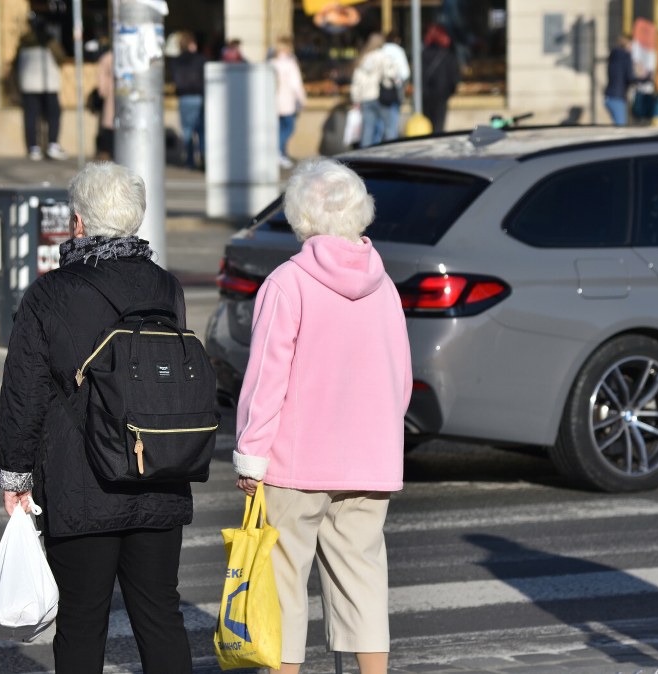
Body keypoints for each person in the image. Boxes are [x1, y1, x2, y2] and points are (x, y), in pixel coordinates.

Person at [0, 161, 192, 674]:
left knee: (83, 621)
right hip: (159, 471)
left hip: (81, 479)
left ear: (78, 223)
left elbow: (25, 393)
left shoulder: (51, 293)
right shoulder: (166, 288)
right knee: (160, 614)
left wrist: (16, 476)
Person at [233, 157, 412, 674]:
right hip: (369, 462)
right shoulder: (385, 287)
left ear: (300, 217)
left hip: (297, 462)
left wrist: (251, 458)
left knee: (283, 582)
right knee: (362, 577)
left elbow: (267, 380)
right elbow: (400, 380)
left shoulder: (288, 283)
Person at [17, 18, 67, 161]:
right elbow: (61, 57)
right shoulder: (50, 41)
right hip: (48, 85)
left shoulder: (24, 42)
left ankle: (33, 148)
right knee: (53, 115)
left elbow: (16, 63)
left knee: (31, 117)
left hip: (28, 85)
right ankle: (52, 145)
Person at [171, 32, 206, 170]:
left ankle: (190, 160)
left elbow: (175, 79)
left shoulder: (176, 61)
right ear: (192, 44)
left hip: (184, 97)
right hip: (198, 96)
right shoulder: (200, 59)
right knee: (201, 130)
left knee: (187, 130)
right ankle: (203, 158)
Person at [271, 36, 306, 169]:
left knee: (280, 128)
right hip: (286, 100)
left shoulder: (271, 62)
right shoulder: (290, 63)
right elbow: (295, 84)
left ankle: (281, 153)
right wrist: (302, 99)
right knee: (289, 128)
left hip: (273, 101)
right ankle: (278, 152)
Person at [420, 23, 460, 134]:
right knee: (439, 125)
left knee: (427, 124)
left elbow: (419, 75)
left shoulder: (423, 54)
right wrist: (451, 90)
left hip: (426, 94)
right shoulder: (447, 55)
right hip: (442, 93)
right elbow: (454, 75)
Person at [350, 33, 388, 148]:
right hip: (379, 96)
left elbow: (357, 80)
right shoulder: (383, 57)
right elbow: (389, 75)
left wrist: (355, 99)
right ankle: (378, 154)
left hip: (365, 98)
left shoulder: (363, 58)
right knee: (381, 128)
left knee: (367, 129)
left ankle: (365, 154)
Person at [604, 35, 637, 126]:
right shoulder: (626, 56)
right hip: (618, 97)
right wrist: (643, 79)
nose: (632, 48)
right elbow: (630, 77)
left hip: (609, 96)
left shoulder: (613, 55)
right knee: (621, 128)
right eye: (631, 45)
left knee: (618, 126)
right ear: (627, 45)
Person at [94, 45, 115, 160]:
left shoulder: (108, 57)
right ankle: (107, 151)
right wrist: (103, 91)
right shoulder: (108, 57)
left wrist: (103, 91)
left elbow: (102, 76)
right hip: (112, 93)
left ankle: (107, 151)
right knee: (109, 125)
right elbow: (102, 75)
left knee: (109, 124)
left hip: (112, 93)